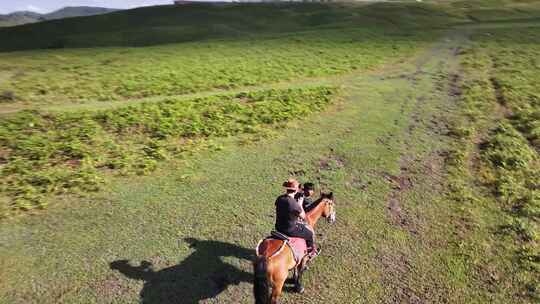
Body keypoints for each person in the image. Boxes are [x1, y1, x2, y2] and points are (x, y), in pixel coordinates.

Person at [275, 179, 318, 257]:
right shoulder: (294, 204)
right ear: (295, 191)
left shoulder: (280, 198)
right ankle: (311, 252)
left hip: (278, 227)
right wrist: (300, 205)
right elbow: (304, 217)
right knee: (309, 233)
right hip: (289, 230)